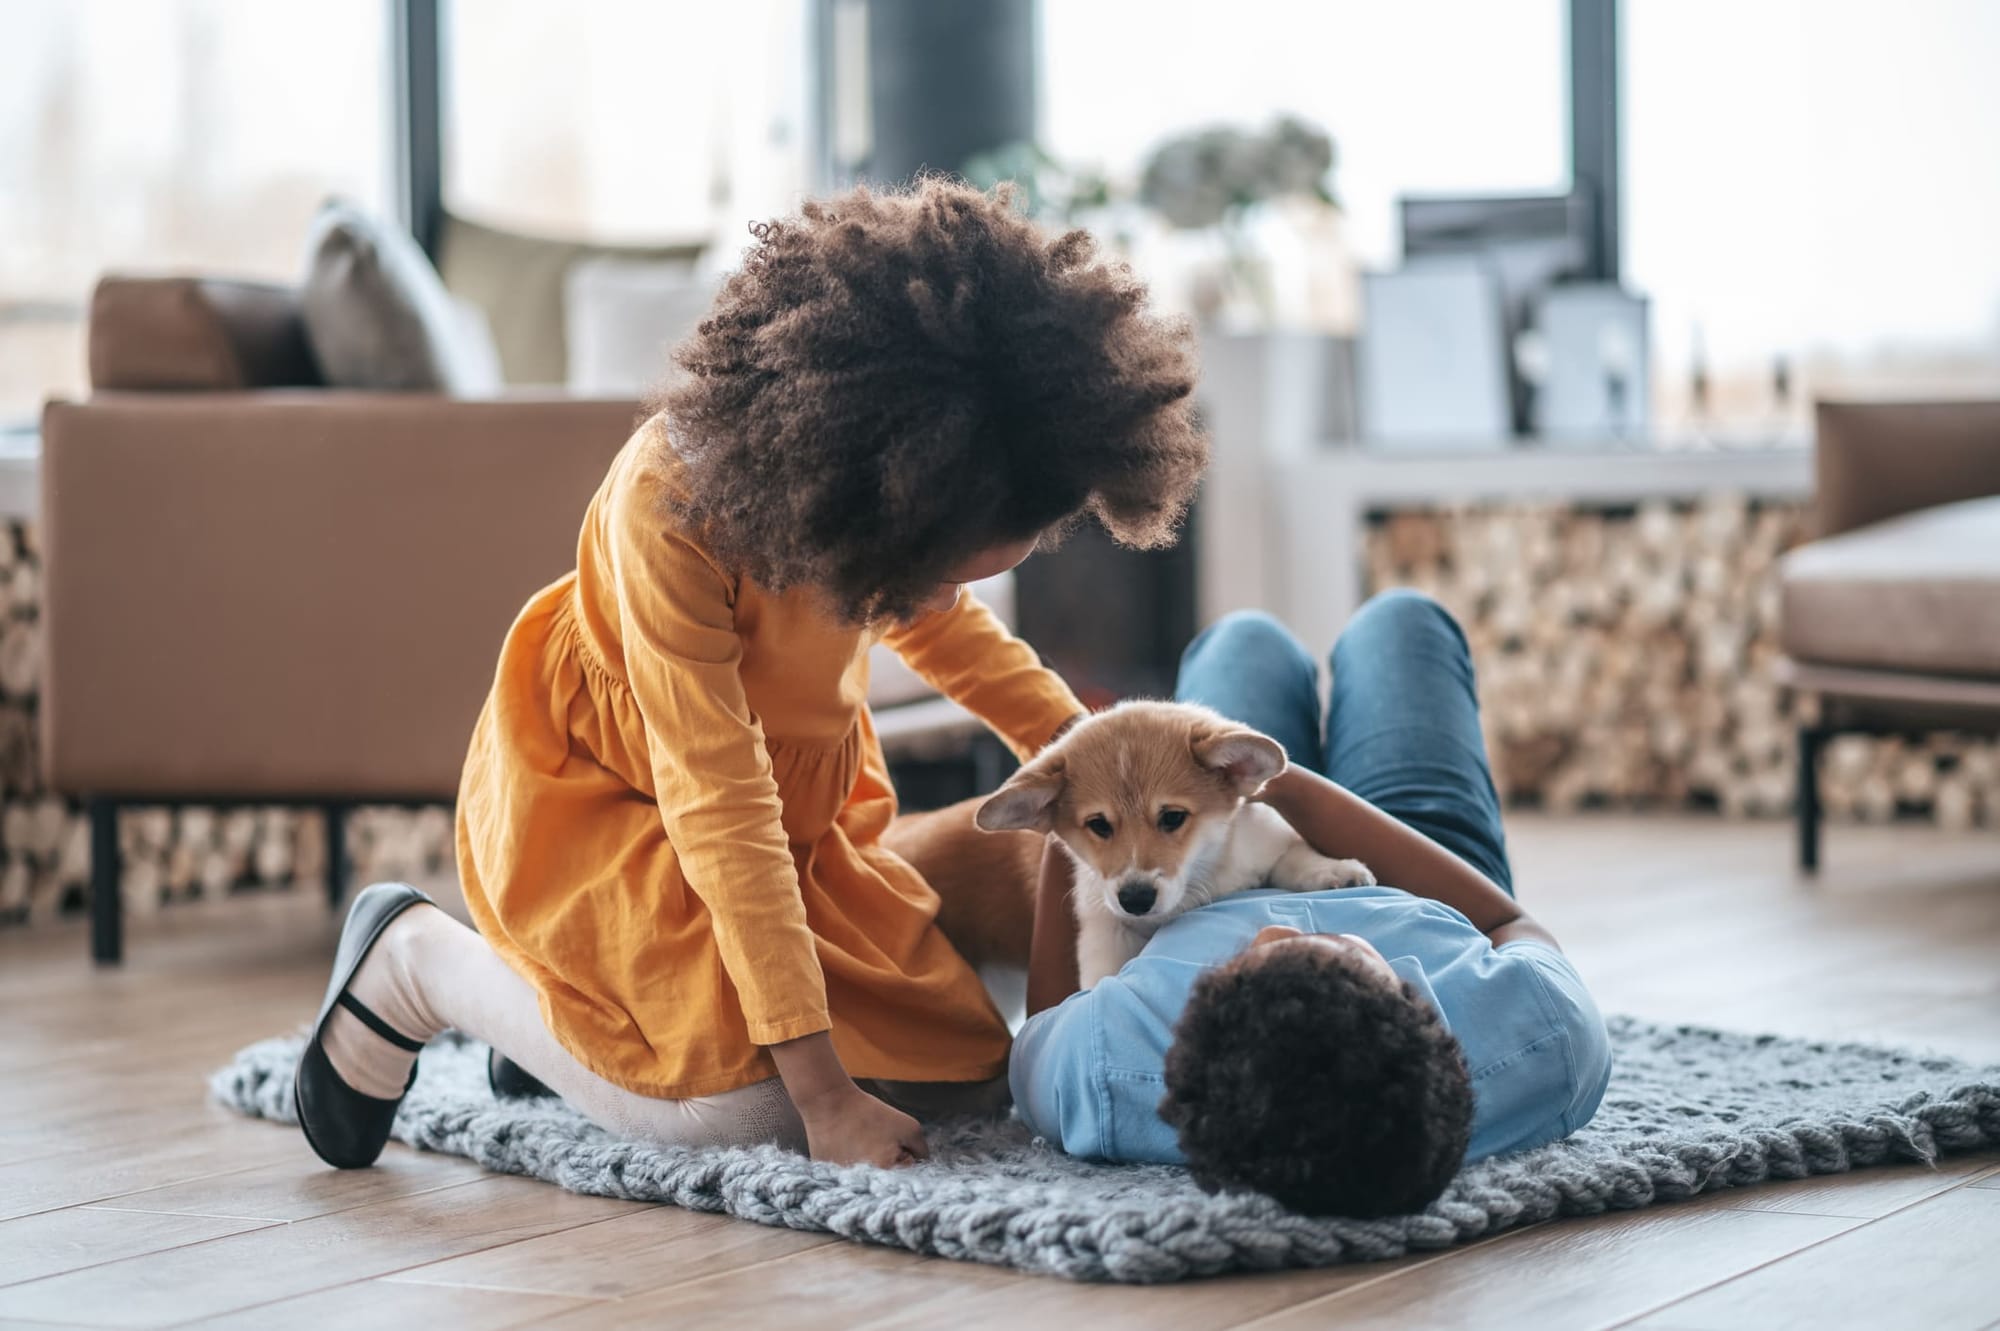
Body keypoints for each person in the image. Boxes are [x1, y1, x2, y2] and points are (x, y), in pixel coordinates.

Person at [292, 178, 1209, 1172]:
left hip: (792, 828)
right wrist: (820, 1101)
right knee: (746, 1116)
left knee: (960, 1071)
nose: (964, 584)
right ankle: (414, 962)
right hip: (625, 811)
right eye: (963, 556)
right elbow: (720, 806)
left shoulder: (878, 504)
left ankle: (569, 1040)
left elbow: (957, 640)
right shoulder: (671, 505)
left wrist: (1090, 755)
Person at [1010, 592, 1611, 1216]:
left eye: (1245, 959)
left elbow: (1043, 1026)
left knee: (1242, 638)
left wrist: (1080, 815)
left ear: (1194, 1039)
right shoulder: (1546, 1045)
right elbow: (1510, 922)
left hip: (1209, 861)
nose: (1276, 925)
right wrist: (1288, 788)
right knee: (1401, 620)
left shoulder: (1113, 1072)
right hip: (1418, 858)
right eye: (1344, 958)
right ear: (1425, 1020)